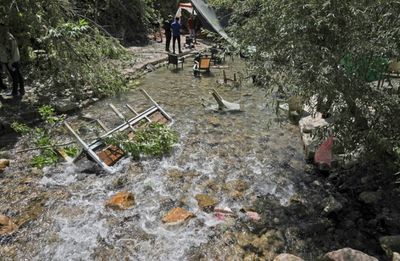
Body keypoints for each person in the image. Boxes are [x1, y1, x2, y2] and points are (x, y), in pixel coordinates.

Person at [0, 23, 24, 97]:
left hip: (11, 61)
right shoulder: (4, 36)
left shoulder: (7, 38)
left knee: (15, 76)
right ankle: (21, 90)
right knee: (18, 75)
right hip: (12, 59)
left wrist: (10, 62)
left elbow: (10, 51)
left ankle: (15, 92)